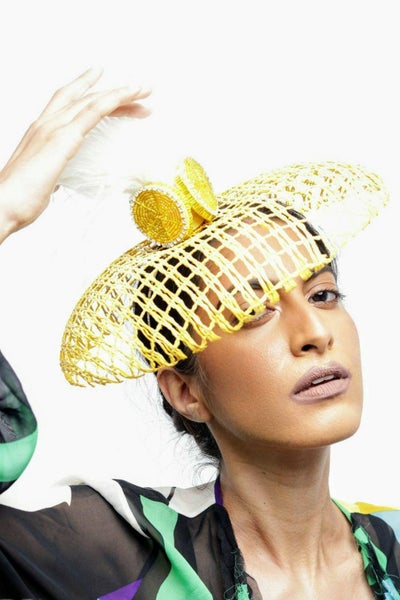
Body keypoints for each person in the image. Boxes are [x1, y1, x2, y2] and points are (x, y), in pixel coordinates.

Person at [0, 69, 398, 600]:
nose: (314, 333)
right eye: (251, 310)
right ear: (186, 391)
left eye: (322, 295)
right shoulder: (105, 555)